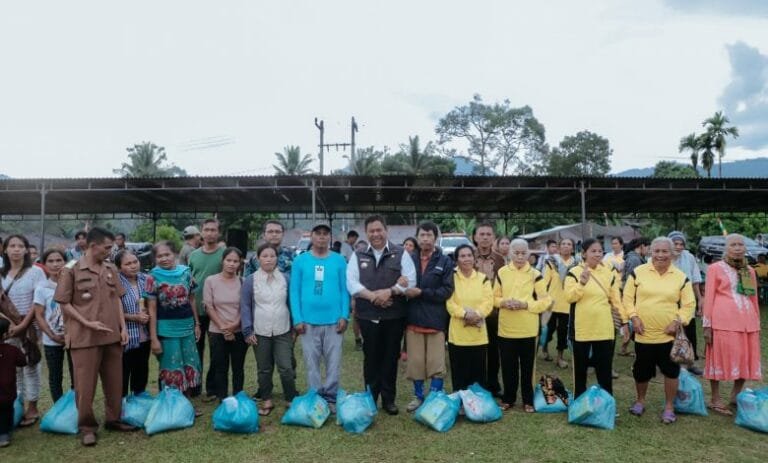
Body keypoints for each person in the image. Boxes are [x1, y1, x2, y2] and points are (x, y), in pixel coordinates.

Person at [54, 227, 137, 446]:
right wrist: (86, 322)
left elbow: (117, 298)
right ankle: (87, 427)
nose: (111, 251)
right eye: (107, 247)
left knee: (114, 382)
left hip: (111, 337)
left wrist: (123, 328)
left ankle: (113, 419)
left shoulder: (110, 268)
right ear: (93, 246)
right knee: (85, 386)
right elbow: (64, 303)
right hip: (84, 338)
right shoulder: (71, 269)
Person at [347, 215, 416, 415]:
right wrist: (373, 296)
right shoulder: (358, 255)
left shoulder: (400, 253)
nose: (376, 234)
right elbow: (351, 282)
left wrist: (390, 291)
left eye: (379, 230)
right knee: (371, 357)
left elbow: (410, 281)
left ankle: (388, 399)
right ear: (366, 233)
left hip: (394, 316)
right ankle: (370, 398)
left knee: (390, 357)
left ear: (386, 231)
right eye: (371, 231)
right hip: (368, 316)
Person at [623, 237, 696, 424]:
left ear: (672, 254)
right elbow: (627, 298)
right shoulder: (638, 273)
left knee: (671, 371)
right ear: (650, 252)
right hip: (643, 334)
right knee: (641, 371)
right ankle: (640, 401)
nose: (661, 255)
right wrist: (634, 317)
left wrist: (678, 321)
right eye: (657, 251)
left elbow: (689, 304)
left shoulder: (680, 276)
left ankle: (670, 406)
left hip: (668, 336)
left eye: (665, 251)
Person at [290, 223, 349, 412]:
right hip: (307, 322)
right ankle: (315, 397)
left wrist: (344, 315)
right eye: (318, 234)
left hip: (334, 321)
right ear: (312, 237)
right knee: (311, 362)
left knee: (333, 362)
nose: (322, 237)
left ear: (329, 237)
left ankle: (331, 398)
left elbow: (344, 290)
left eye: (325, 234)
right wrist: (297, 319)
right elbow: (294, 291)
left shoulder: (339, 260)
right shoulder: (301, 261)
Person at [702, 233, 762, 416]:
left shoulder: (749, 270)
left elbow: (753, 298)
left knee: (746, 358)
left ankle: (735, 395)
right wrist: (707, 324)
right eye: (733, 245)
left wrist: (757, 321)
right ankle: (715, 398)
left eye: (740, 245)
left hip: (748, 322)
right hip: (723, 321)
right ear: (726, 248)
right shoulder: (715, 268)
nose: (737, 248)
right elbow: (709, 296)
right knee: (718, 358)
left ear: (745, 248)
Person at [494, 239, 553, 412]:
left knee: (528, 367)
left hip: (528, 329)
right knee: (508, 366)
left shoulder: (535, 274)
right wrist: (505, 303)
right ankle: (508, 398)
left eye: (523, 253)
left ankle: (528, 400)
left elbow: (546, 301)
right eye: (516, 253)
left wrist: (526, 305)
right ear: (510, 253)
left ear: (529, 254)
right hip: (506, 329)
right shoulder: (502, 272)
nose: (520, 256)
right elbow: (493, 298)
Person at [145, 241, 203, 414]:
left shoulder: (186, 272)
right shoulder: (152, 277)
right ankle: (172, 406)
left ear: (175, 254)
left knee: (190, 363)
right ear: (155, 259)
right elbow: (152, 308)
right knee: (171, 366)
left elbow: (192, 299)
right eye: (159, 256)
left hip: (187, 327)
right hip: (166, 329)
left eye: (167, 254)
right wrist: (154, 338)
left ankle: (187, 404)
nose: (164, 259)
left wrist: (197, 324)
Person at [564, 238, 625, 398]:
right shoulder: (574, 272)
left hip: (604, 328)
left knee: (604, 370)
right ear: (584, 254)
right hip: (582, 329)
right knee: (580, 370)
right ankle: (579, 404)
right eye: (593, 251)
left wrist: (624, 321)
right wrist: (581, 284)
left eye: (600, 251)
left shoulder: (608, 272)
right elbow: (569, 297)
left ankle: (607, 403)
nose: (597, 254)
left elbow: (615, 299)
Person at [403, 222, 454, 412]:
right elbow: (400, 283)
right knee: (416, 362)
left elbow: (447, 290)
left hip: (436, 319)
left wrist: (422, 293)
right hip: (413, 319)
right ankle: (418, 397)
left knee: (436, 363)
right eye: (422, 235)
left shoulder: (445, 261)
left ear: (435, 238)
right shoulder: (407, 258)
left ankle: (434, 397)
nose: (425, 239)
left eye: (429, 235)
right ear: (417, 237)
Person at [241, 243, 297, 416]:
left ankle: (291, 398)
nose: (269, 259)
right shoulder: (250, 280)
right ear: (258, 259)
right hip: (260, 330)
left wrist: (295, 327)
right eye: (264, 256)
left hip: (283, 329)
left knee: (286, 367)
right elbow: (245, 306)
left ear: (277, 258)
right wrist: (248, 330)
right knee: (264, 368)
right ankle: (266, 399)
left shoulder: (286, 278)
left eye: (272, 256)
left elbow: (292, 303)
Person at [1, 235, 46, 427]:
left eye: (21, 246)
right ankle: (16, 403)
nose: (16, 249)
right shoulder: (1, 273)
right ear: (5, 250)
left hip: (30, 327)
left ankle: (33, 407)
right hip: (6, 329)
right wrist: (8, 323)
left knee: (31, 365)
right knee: (11, 367)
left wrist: (22, 325)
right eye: (12, 246)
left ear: (27, 250)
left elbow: (38, 302)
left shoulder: (36, 272)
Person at [447, 244, 493, 391]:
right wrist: (465, 314)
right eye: (462, 256)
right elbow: (449, 303)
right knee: (459, 374)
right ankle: (460, 404)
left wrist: (477, 315)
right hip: (458, 335)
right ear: (457, 260)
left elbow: (488, 302)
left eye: (469, 255)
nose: (466, 259)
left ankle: (478, 408)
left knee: (478, 375)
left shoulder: (483, 279)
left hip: (478, 336)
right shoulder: (451, 278)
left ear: (474, 258)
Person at [188, 218, 225, 399]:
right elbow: (188, 282)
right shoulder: (193, 255)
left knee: (217, 351)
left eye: (213, 230)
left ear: (219, 233)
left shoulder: (225, 254)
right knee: (196, 350)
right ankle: (195, 386)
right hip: (196, 312)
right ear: (201, 232)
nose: (210, 233)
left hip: (218, 312)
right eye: (207, 229)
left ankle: (213, 388)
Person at [204, 247, 247, 401]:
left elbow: (246, 308)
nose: (231, 264)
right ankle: (222, 398)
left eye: (235, 261)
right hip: (217, 331)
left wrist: (234, 326)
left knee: (238, 367)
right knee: (220, 366)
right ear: (222, 261)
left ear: (240, 264)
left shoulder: (243, 281)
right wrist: (223, 327)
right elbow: (209, 306)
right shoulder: (211, 281)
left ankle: (238, 397)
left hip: (239, 331)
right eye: (229, 260)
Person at [33, 249, 73, 402]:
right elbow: (39, 314)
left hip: (74, 337)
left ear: (65, 262)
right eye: (50, 261)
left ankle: (76, 408)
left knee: (76, 373)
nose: (55, 264)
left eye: (59, 260)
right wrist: (52, 335)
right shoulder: (42, 287)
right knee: (55, 376)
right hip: (51, 340)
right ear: (44, 264)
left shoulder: (73, 284)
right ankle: (58, 406)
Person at [471, 222, 506, 397]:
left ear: (493, 237)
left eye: (488, 234)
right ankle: (477, 384)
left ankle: (493, 383)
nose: (485, 237)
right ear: (475, 237)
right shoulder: (468, 256)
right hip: (473, 312)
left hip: (494, 314)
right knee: (476, 351)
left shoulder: (500, 259)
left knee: (494, 350)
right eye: (481, 234)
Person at [668, 231, 704, 375]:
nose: (678, 246)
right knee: (670, 330)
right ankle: (670, 361)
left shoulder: (689, 257)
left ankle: (690, 362)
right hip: (669, 300)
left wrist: (700, 298)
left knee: (689, 331)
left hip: (687, 300)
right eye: (675, 244)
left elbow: (695, 279)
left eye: (681, 244)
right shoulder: (665, 257)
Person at [115, 250, 150, 397]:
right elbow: (113, 310)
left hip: (145, 335)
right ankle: (122, 406)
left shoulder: (146, 279)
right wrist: (133, 317)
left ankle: (138, 401)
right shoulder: (116, 282)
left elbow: (153, 303)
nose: (133, 266)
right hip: (127, 336)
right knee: (123, 372)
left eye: (135, 262)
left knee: (141, 371)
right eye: (128, 264)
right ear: (119, 267)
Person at [541, 238, 579, 369]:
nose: (566, 246)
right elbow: (545, 281)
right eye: (563, 244)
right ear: (559, 247)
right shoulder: (551, 262)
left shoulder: (576, 263)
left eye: (569, 244)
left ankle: (560, 357)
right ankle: (544, 348)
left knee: (563, 332)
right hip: (552, 303)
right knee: (548, 329)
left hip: (568, 304)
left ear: (573, 248)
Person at [0, 318, 27, 448]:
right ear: (5, 335)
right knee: (7, 411)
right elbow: (23, 361)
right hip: (7, 390)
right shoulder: (12, 350)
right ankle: (4, 435)